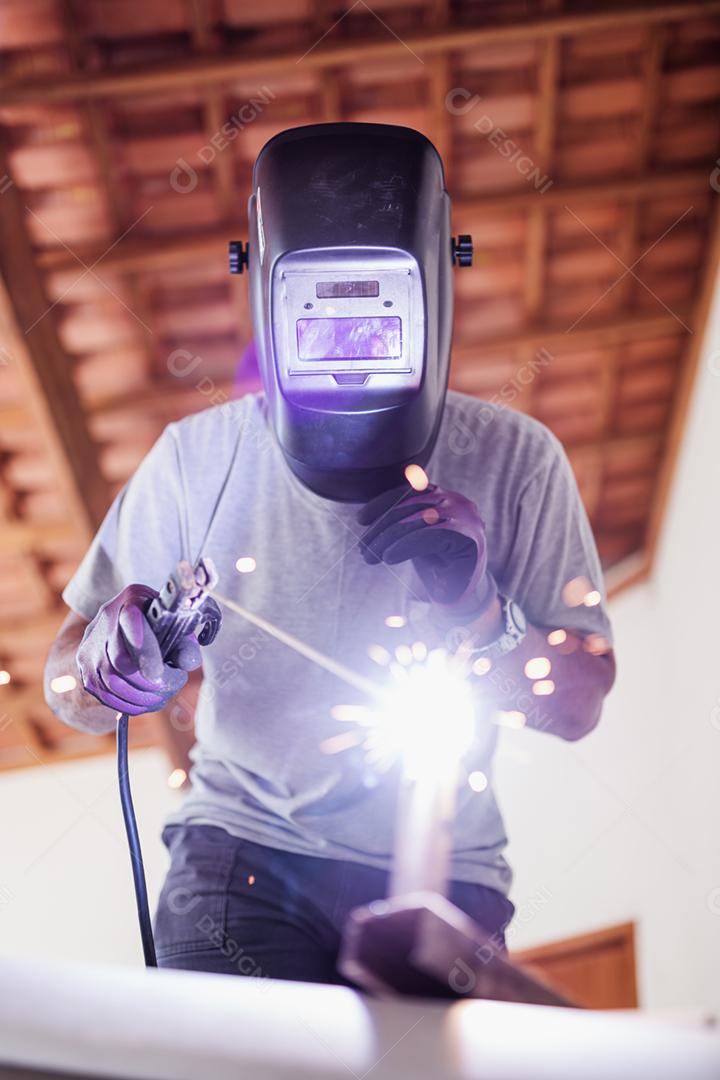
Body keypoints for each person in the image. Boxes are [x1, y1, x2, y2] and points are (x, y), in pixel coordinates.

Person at [44, 123, 615, 984]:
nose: (349, 355)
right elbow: (68, 691)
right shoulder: (194, 460)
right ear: (264, 291)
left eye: (376, 315)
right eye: (324, 317)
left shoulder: (516, 458)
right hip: (239, 850)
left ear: (437, 280)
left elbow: (574, 706)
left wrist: (478, 610)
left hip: (442, 864)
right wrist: (106, 669)